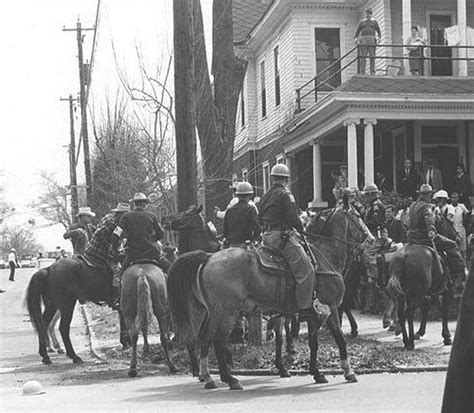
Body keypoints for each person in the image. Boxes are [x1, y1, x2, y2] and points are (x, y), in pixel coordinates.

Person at [258, 163, 330, 321]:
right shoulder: (285, 194)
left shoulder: (265, 196)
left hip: (267, 237)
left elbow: (259, 218)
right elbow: (292, 217)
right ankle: (304, 309)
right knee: (307, 270)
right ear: (286, 179)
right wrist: (301, 228)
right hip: (281, 237)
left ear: (272, 178)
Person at [407, 184, 465, 281]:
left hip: (411, 238)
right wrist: (431, 230)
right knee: (453, 245)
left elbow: (407, 222)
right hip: (424, 238)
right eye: (431, 195)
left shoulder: (413, 205)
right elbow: (428, 218)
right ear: (429, 195)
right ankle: (460, 273)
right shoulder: (426, 206)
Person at [83, 203, 130, 308]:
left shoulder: (109, 219)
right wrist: (110, 248)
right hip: (98, 251)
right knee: (117, 271)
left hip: (91, 248)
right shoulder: (112, 225)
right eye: (124, 216)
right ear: (120, 215)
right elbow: (100, 233)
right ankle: (115, 298)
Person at [112, 192, 170, 278]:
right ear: (145, 204)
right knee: (170, 269)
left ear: (135, 204)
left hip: (133, 253)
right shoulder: (152, 216)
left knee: (119, 277)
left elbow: (115, 234)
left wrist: (115, 250)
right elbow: (161, 234)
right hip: (152, 252)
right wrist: (151, 239)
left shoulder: (126, 216)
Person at [361, 183, 385, 313]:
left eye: (366, 195)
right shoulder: (370, 205)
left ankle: (373, 276)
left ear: (371, 195)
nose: (364, 198)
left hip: (378, 234)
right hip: (371, 234)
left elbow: (376, 221)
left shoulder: (376, 205)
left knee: (368, 253)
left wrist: (364, 224)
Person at [223, 182, 261, 247]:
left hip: (231, 245)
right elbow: (257, 228)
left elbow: (225, 231)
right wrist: (255, 238)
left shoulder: (229, 210)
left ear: (237, 195)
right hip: (246, 245)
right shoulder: (251, 209)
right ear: (250, 195)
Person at [354, 8, 382, 75]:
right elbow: (357, 31)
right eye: (366, 13)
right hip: (363, 39)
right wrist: (355, 38)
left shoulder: (374, 22)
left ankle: (372, 71)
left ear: (371, 14)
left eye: (369, 13)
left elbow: (378, 31)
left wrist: (379, 38)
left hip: (372, 39)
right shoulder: (362, 22)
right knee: (363, 55)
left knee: (372, 56)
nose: (368, 15)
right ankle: (362, 71)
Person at [451, 192, 469, 258]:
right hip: (452, 231)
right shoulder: (449, 207)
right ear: (450, 199)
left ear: (458, 198)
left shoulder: (461, 206)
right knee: (454, 249)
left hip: (461, 230)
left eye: (456, 198)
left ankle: (464, 265)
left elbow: (468, 215)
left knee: (463, 250)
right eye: (453, 198)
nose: (454, 199)